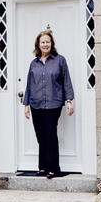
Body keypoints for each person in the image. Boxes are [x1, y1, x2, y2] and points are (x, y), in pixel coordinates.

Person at [22, 29, 74, 179]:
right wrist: (26, 104)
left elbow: (66, 81)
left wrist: (69, 101)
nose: (45, 44)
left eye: (48, 42)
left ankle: (54, 168)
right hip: (36, 103)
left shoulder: (60, 60)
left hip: (53, 103)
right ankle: (43, 167)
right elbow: (29, 84)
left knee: (50, 134)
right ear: (38, 45)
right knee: (40, 135)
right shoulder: (34, 63)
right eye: (42, 42)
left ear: (52, 44)